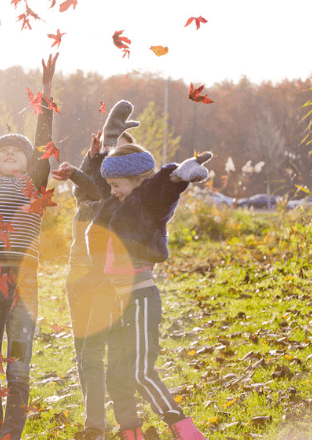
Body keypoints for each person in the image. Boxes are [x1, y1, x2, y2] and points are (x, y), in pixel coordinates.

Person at [85, 100, 211, 440]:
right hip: (114, 301)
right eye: (111, 187)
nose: (112, 192)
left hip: (140, 297)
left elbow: (164, 188)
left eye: (119, 186)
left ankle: (183, 428)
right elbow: (107, 174)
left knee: (139, 372)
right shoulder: (118, 198)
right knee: (117, 376)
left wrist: (181, 175)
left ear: (138, 180)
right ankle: (132, 433)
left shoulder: (147, 200)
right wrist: (111, 135)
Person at [0, 51, 58, 440]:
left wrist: (46, 91)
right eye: (3, 150)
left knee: (18, 366)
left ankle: (12, 432)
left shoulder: (34, 184)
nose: (8, 153)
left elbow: (43, 143)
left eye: (17, 151)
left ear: (29, 162)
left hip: (25, 283)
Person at [51, 129, 139, 440]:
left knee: (109, 351)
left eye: (126, 156)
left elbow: (96, 188)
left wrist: (79, 169)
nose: (118, 162)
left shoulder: (123, 197)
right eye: (113, 154)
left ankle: (124, 423)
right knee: (83, 350)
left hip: (110, 278)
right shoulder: (94, 188)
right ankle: (96, 425)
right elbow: (86, 188)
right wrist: (90, 158)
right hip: (78, 273)